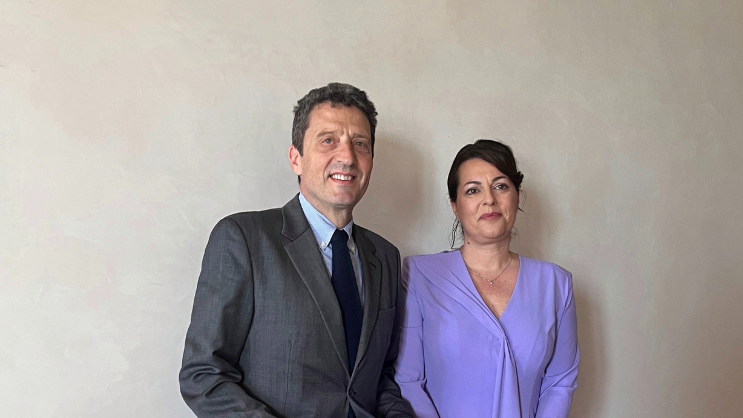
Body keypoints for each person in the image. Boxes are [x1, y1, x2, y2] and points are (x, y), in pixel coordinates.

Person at [179, 83, 414, 418]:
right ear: (296, 158)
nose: (347, 157)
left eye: (360, 144)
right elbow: (204, 373)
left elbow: (380, 379)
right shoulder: (244, 239)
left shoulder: (385, 256)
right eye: (328, 140)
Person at [394, 139, 579, 418]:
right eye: (473, 190)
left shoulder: (556, 285)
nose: (489, 199)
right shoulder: (421, 275)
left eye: (501, 186)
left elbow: (560, 383)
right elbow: (408, 380)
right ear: (455, 206)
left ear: (517, 196)